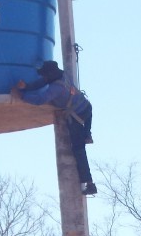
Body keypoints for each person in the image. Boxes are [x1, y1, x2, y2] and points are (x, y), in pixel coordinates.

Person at [11, 60, 97, 195]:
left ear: (50, 75)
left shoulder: (57, 88)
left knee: (78, 150)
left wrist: (22, 95)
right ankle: (87, 134)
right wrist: (26, 87)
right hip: (86, 108)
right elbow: (42, 83)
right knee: (83, 138)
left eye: (45, 75)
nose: (43, 77)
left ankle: (90, 184)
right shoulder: (63, 76)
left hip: (76, 116)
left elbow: (40, 98)